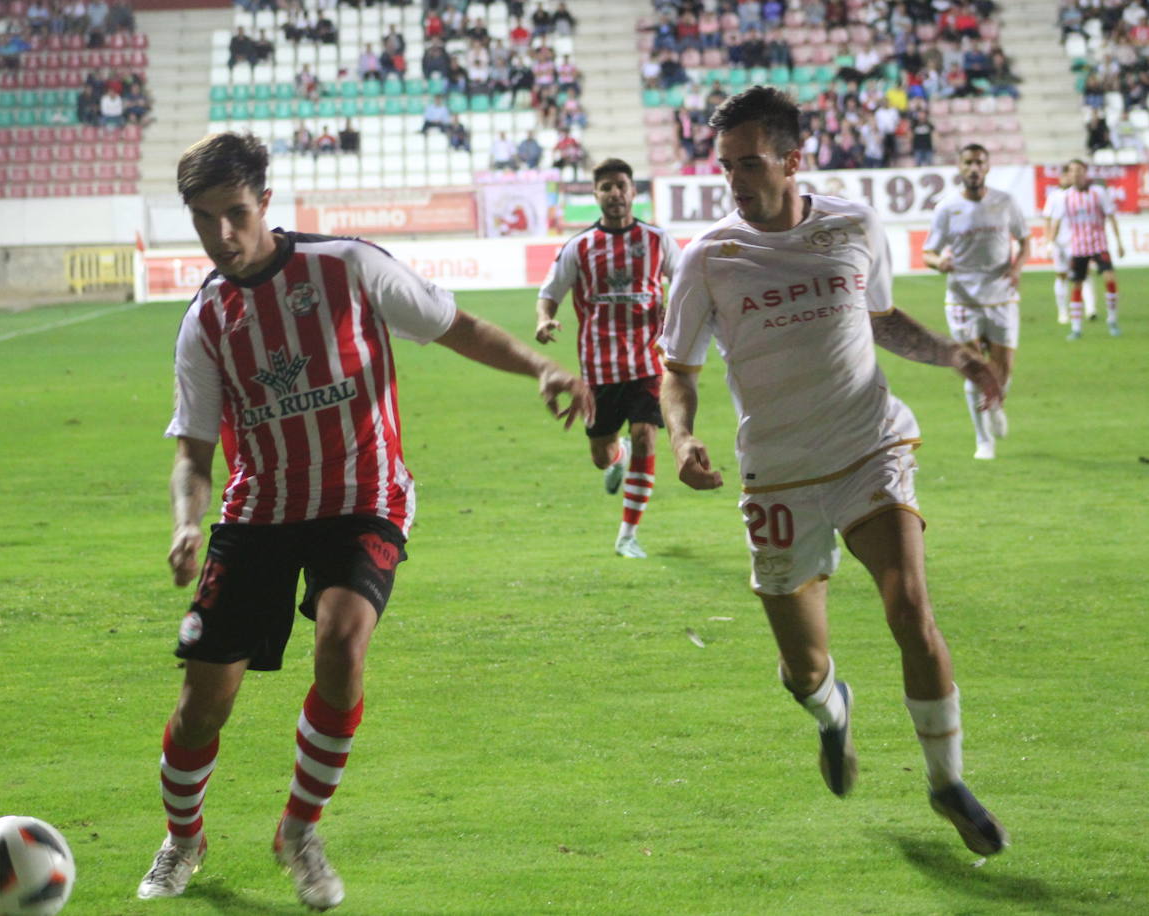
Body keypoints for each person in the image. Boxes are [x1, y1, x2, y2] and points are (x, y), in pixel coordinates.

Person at [135, 131, 592, 910]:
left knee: (343, 643)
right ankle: (183, 838)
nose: (222, 235)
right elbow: (195, 452)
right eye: (203, 220)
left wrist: (543, 364)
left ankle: (299, 830)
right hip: (261, 510)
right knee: (203, 702)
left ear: (266, 204)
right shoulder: (205, 319)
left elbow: (457, 327)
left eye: (235, 214)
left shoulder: (346, 266)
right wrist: (186, 523)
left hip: (364, 496)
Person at [658, 87, 1008, 857]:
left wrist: (953, 356)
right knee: (802, 666)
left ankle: (947, 781)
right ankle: (832, 712)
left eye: (749, 164)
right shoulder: (707, 258)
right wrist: (681, 437)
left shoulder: (853, 224)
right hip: (779, 471)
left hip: (868, 445)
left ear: (793, 159)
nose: (735, 181)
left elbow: (880, 320)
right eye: (726, 167)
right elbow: (677, 371)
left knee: (910, 609)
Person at [536, 158, 678, 558]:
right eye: (606, 187)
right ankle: (618, 457)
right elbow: (550, 291)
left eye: (621, 185)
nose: (615, 193)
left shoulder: (657, 240)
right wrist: (545, 319)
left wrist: (677, 316)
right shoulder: (579, 246)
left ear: (633, 191)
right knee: (601, 456)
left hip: (648, 361)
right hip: (599, 367)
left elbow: (684, 282)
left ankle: (628, 535)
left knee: (646, 433)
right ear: (596, 194)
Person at [922, 144, 1029, 461]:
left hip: (1001, 296)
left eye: (979, 163)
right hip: (962, 298)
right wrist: (937, 263)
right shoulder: (947, 207)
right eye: (967, 163)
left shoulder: (1005, 202)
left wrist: (1017, 267)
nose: (973, 168)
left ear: (987, 167)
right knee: (972, 367)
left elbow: (1025, 240)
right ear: (959, 167)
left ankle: (995, 403)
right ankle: (984, 441)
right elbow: (928, 252)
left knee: (1002, 369)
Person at [1049, 159, 1125, 340]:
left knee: (1110, 278)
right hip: (1078, 247)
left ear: (1086, 172)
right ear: (1068, 174)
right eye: (1072, 171)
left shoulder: (1098, 193)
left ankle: (1112, 319)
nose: (1076, 174)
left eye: (1079, 170)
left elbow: (1111, 216)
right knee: (1077, 284)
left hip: (1099, 244)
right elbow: (1056, 222)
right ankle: (1076, 328)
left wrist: (1119, 242)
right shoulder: (1064, 197)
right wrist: (1050, 243)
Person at [1042, 163, 1096, 325]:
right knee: (1061, 275)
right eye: (1065, 175)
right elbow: (1048, 219)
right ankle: (1063, 312)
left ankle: (1090, 309)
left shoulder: (1082, 195)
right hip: (1060, 243)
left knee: (1084, 274)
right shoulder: (1055, 196)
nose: (1068, 178)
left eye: (1070, 174)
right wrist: (1049, 242)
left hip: (1077, 241)